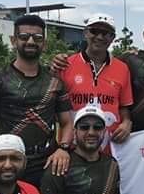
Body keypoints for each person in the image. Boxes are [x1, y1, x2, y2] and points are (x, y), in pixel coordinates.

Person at [0, 14, 74, 187]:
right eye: (24, 37)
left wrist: (63, 148)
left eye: (37, 38)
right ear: (14, 40)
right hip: (9, 163)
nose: (30, 41)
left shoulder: (55, 81)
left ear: (44, 43)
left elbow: (67, 123)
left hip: (47, 164)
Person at [53, 13, 134, 149]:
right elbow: (54, 108)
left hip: (110, 148)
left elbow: (123, 106)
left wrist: (127, 122)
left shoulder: (122, 68)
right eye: (94, 31)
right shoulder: (65, 65)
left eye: (106, 33)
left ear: (113, 38)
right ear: (85, 33)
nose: (99, 37)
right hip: (72, 148)